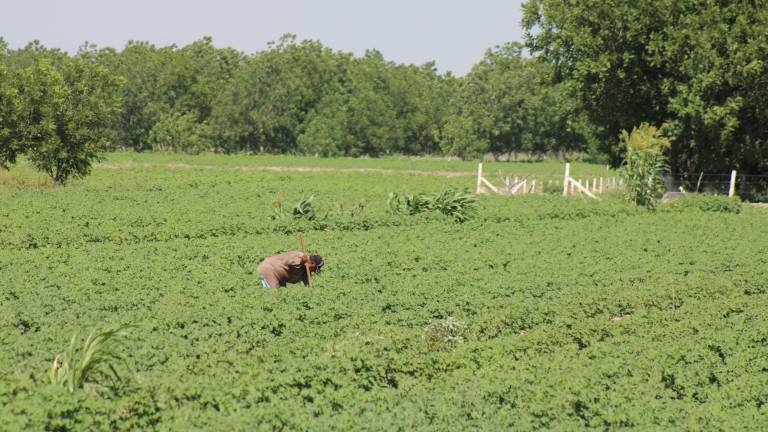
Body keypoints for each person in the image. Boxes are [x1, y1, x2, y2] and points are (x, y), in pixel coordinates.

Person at [257, 251, 324, 288]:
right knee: (273, 296)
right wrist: (302, 261)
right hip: (269, 270)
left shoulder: (306, 271)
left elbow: (309, 285)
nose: (313, 271)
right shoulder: (299, 256)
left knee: (281, 297)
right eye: (314, 268)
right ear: (312, 263)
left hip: (280, 278)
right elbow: (289, 262)